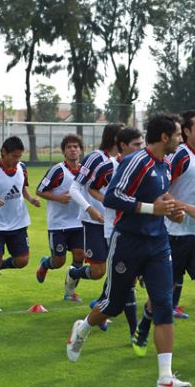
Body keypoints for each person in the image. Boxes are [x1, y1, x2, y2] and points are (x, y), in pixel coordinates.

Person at [65, 114, 193, 387]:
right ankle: (83, 329)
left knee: (163, 303)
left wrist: (174, 211)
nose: (180, 141)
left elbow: (162, 200)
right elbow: (112, 197)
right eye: (177, 136)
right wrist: (152, 209)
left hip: (158, 243)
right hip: (128, 242)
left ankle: (165, 377)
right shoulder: (136, 161)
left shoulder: (166, 163)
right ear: (163, 137)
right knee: (113, 304)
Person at [135, 109, 195, 371]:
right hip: (174, 236)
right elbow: (160, 192)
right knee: (162, 296)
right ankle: (143, 328)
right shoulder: (178, 156)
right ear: (186, 132)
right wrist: (188, 208)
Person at [88, 126, 144, 340]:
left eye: (142, 144)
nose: (141, 148)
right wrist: (105, 200)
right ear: (123, 146)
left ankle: (98, 312)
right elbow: (91, 187)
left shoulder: (145, 166)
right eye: (136, 145)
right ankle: (134, 332)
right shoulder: (109, 166)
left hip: (141, 230)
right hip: (116, 230)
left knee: (122, 281)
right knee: (126, 280)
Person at [66, 123, 124, 301]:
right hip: (95, 222)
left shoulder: (125, 160)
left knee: (121, 265)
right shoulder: (95, 158)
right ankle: (74, 273)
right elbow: (74, 189)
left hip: (118, 222)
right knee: (98, 271)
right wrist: (89, 209)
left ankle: (104, 303)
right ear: (115, 138)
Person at [0, 136, 42, 311]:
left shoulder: (21, 168)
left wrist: (31, 199)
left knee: (22, 260)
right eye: (14, 156)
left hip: (18, 222)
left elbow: (22, 187)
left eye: (19, 157)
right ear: (4, 152)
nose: (17, 160)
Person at [34, 134, 85, 298]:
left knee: (79, 256)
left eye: (76, 146)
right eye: (69, 147)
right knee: (59, 261)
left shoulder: (85, 171)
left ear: (81, 150)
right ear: (64, 151)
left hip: (79, 222)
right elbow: (39, 190)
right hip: (59, 224)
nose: (73, 150)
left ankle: (69, 292)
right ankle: (45, 264)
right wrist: (59, 198)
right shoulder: (58, 170)